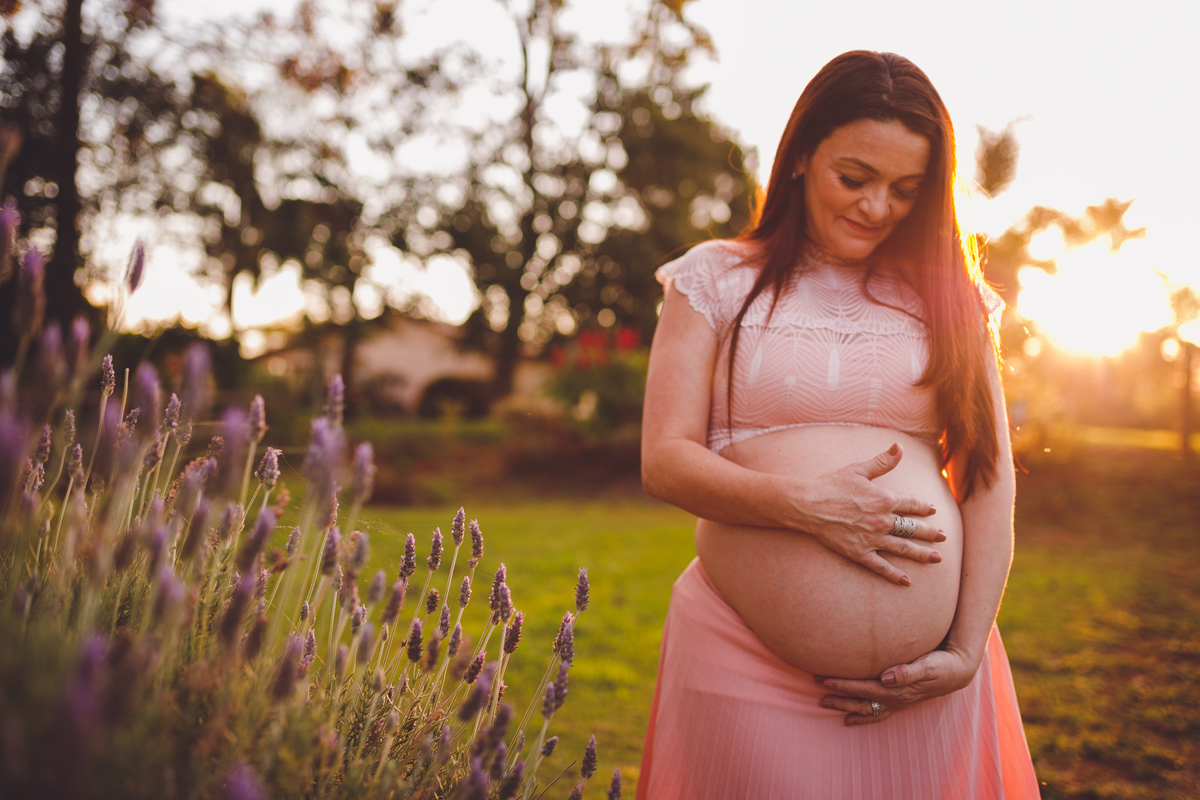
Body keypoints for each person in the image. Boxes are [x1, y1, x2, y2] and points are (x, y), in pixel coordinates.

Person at [636, 51, 1040, 799]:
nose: (877, 206)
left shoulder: (955, 300)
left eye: (905, 189)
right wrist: (808, 508)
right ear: (799, 158)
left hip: (927, 685)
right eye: (854, 178)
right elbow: (664, 459)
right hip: (742, 657)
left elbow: (987, 477)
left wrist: (966, 648)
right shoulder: (715, 278)